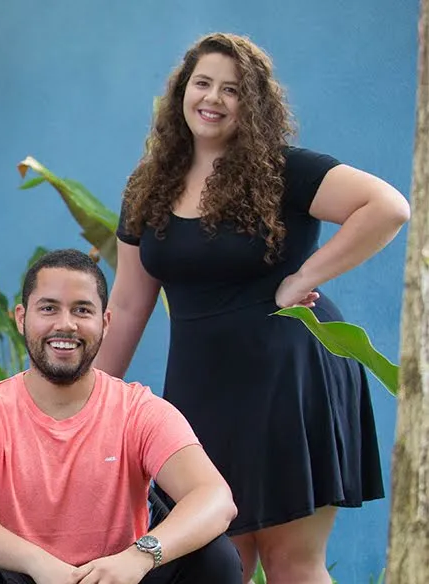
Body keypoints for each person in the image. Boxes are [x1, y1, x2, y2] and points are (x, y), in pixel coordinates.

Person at [94, 32, 411, 583]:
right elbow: (126, 302)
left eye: (232, 89)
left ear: (254, 102)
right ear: (181, 94)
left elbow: (386, 206)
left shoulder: (286, 170)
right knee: (217, 562)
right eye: (202, 84)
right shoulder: (147, 186)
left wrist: (304, 277)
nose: (213, 98)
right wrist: (84, 402)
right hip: (201, 389)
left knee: (292, 562)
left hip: (290, 379)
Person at [0, 249, 242, 584]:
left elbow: (215, 498)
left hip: (118, 577)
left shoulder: (138, 410)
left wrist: (139, 556)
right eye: (48, 308)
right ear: (21, 318)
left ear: (104, 323)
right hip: (21, 575)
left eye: (82, 310)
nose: (65, 324)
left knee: (215, 557)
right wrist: (36, 562)